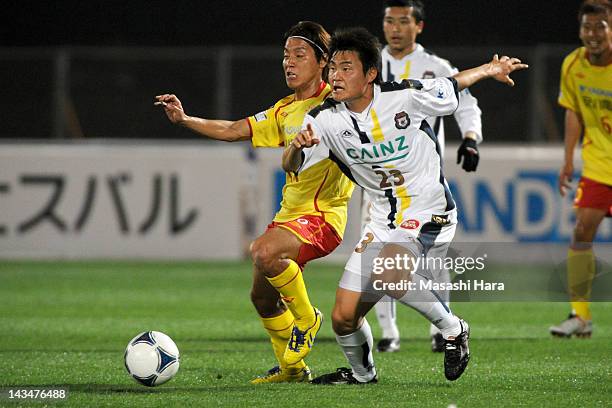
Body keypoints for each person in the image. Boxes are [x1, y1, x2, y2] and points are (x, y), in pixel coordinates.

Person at [283, 27, 527, 384]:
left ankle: (454, 329)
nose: (335, 75)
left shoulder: (404, 97)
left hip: (429, 210)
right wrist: (296, 148)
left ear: (370, 74)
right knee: (343, 317)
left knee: (389, 272)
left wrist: (489, 70)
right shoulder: (323, 120)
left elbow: (452, 84)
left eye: (347, 67)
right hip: (382, 220)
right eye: (333, 67)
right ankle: (362, 375)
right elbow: (290, 167)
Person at [155, 21, 355, 383]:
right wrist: (185, 119)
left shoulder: (338, 102)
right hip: (290, 216)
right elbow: (234, 129)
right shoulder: (283, 111)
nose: (288, 63)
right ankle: (293, 369)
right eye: (285, 56)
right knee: (262, 298)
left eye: (299, 55)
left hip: (324, 216)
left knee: (263, 252)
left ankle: (308, 320)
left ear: (323, 61)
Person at [371, 0, 484, 353]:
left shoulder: (435, 67)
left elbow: (465, 103)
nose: (395, 28)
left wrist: (470, 138)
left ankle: (442, 329)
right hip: (379, 181)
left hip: (424, 180)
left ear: (419, 26)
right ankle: (389, 334)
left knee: (433, 258)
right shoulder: (369, 63)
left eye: (403, 21)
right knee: (379, 254)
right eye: (389, 20)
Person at [550, 1, 612, 338]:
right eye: (587, 27)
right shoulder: (573, 65)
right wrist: (569, 159)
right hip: (600, 165)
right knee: (581, 232)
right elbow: (572, 110)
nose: (592, 34)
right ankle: (580, 316)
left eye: (600, 26)